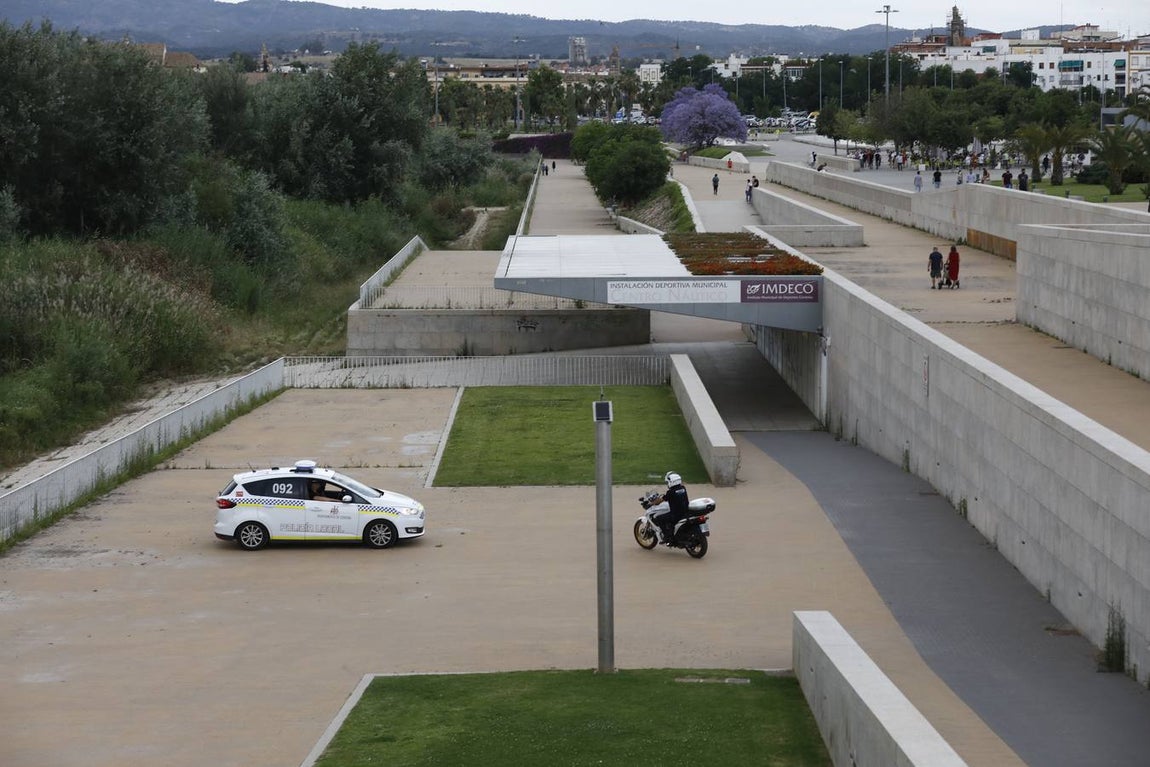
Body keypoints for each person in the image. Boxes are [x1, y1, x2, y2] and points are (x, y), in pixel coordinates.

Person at [657, 472, 690, 543]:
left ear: (672, 482)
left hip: (676, 515)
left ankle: (667, 537)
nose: (667, 484)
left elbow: (660, 500)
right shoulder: (683, 488)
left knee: (659, 518)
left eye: (668, 482)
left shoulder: (670, 492)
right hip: (685, 513)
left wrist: (652, 502)